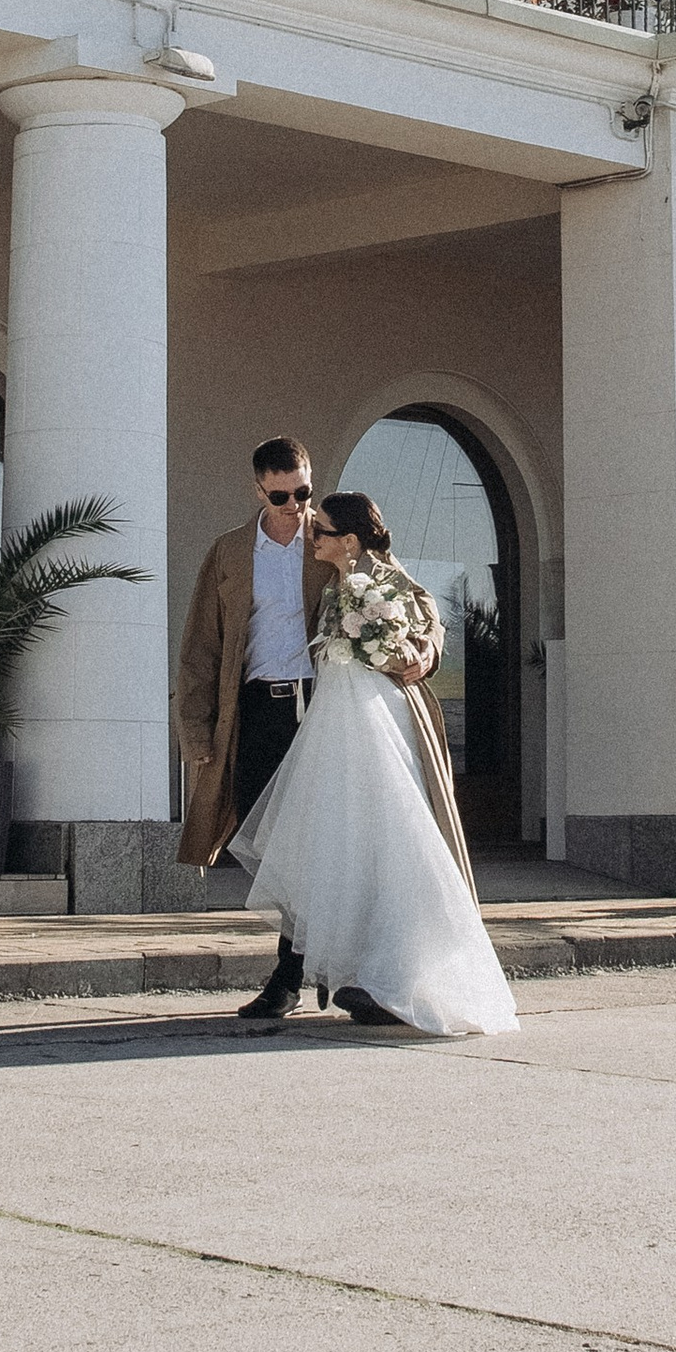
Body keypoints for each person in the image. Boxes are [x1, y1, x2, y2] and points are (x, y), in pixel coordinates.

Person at [229, 490, 518, 1039]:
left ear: (351, 540)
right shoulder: (336, 580)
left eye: (323, 530)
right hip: (334, 725)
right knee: (343, 846)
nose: (313, 536)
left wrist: (420, 653)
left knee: (394, 838)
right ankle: (355, 973)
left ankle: (402, 977)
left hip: (373, 722)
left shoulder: (385, 581)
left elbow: (424, 618)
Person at [174, 436, 333, 1022]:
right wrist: (197, 734)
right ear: (258, 490)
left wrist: (424, 649)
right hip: (256, 712)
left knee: (314, 841)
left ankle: (289, 975)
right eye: (281, 494)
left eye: (304, 491)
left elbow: (404, 600)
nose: (295, 504)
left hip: (322, 709)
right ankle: (309, 957)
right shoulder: (231, 552)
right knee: (262, 840)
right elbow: (199, 648)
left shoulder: (333, 539)